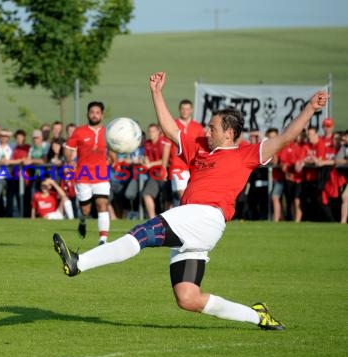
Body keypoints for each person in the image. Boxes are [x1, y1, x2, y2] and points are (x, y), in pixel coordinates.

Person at [53, 71, 330, 331]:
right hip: (199, 227)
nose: (206, 132)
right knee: (188, 298)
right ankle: (258, 315)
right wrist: (156, 92)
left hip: (204, 215)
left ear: (229, 133)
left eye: (212, 128)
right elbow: (169, 128)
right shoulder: (199, 149)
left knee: (141, 233)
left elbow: (285, 138)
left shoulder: (246, 154)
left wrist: (309, 109)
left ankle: (79, 263)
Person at [64, 101, 111, 245]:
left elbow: (114, 150)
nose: (94, 115)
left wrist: (114, 158)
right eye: (92, 112)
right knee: (85, 210)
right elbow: (68, 148)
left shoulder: (108, 132)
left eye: (97, 112)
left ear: (102, 115)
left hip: (101, 174)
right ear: (88, 114)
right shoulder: (79, 131)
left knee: (102, 205)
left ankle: (102, 239)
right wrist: (69, 160)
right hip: (83, 175)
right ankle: (83, 221)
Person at [162, 99, 204, 206]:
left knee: (189, 197)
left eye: (187, 109)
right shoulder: (173, 125)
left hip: (193, 167)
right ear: (179, 110)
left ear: (191, 110)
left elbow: (202, 149)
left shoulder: (198, 127)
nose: (185, 111)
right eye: (183, 109)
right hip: (177, 166)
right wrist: (163, 168)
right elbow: (166, 148)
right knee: (183, 195)